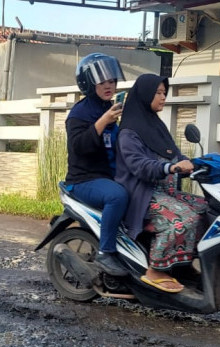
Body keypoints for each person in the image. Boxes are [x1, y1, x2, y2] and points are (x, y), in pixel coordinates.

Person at [115, 74, 207, 293]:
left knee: (206, 209)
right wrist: (170, 168)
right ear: (145, 95)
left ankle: (181, 265)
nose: (163, 97)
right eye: (158, 93)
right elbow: (139, 166)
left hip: (166, 192)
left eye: (164, 92)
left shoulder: (156, 126)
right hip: (143, 195)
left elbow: (175, 156)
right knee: (183, 218)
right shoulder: (128, 132)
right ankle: (155, 269)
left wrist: (199, 164)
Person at [65, 53, 129, 276]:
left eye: (111, 81)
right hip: (84, 179)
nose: (108, 85)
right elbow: (79, 147)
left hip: (108, 176)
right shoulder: (79, 113)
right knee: (117, 196)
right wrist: (103, 121)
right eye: (102, 81)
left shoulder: (110, 107)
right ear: (89, 83)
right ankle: (106, 252)